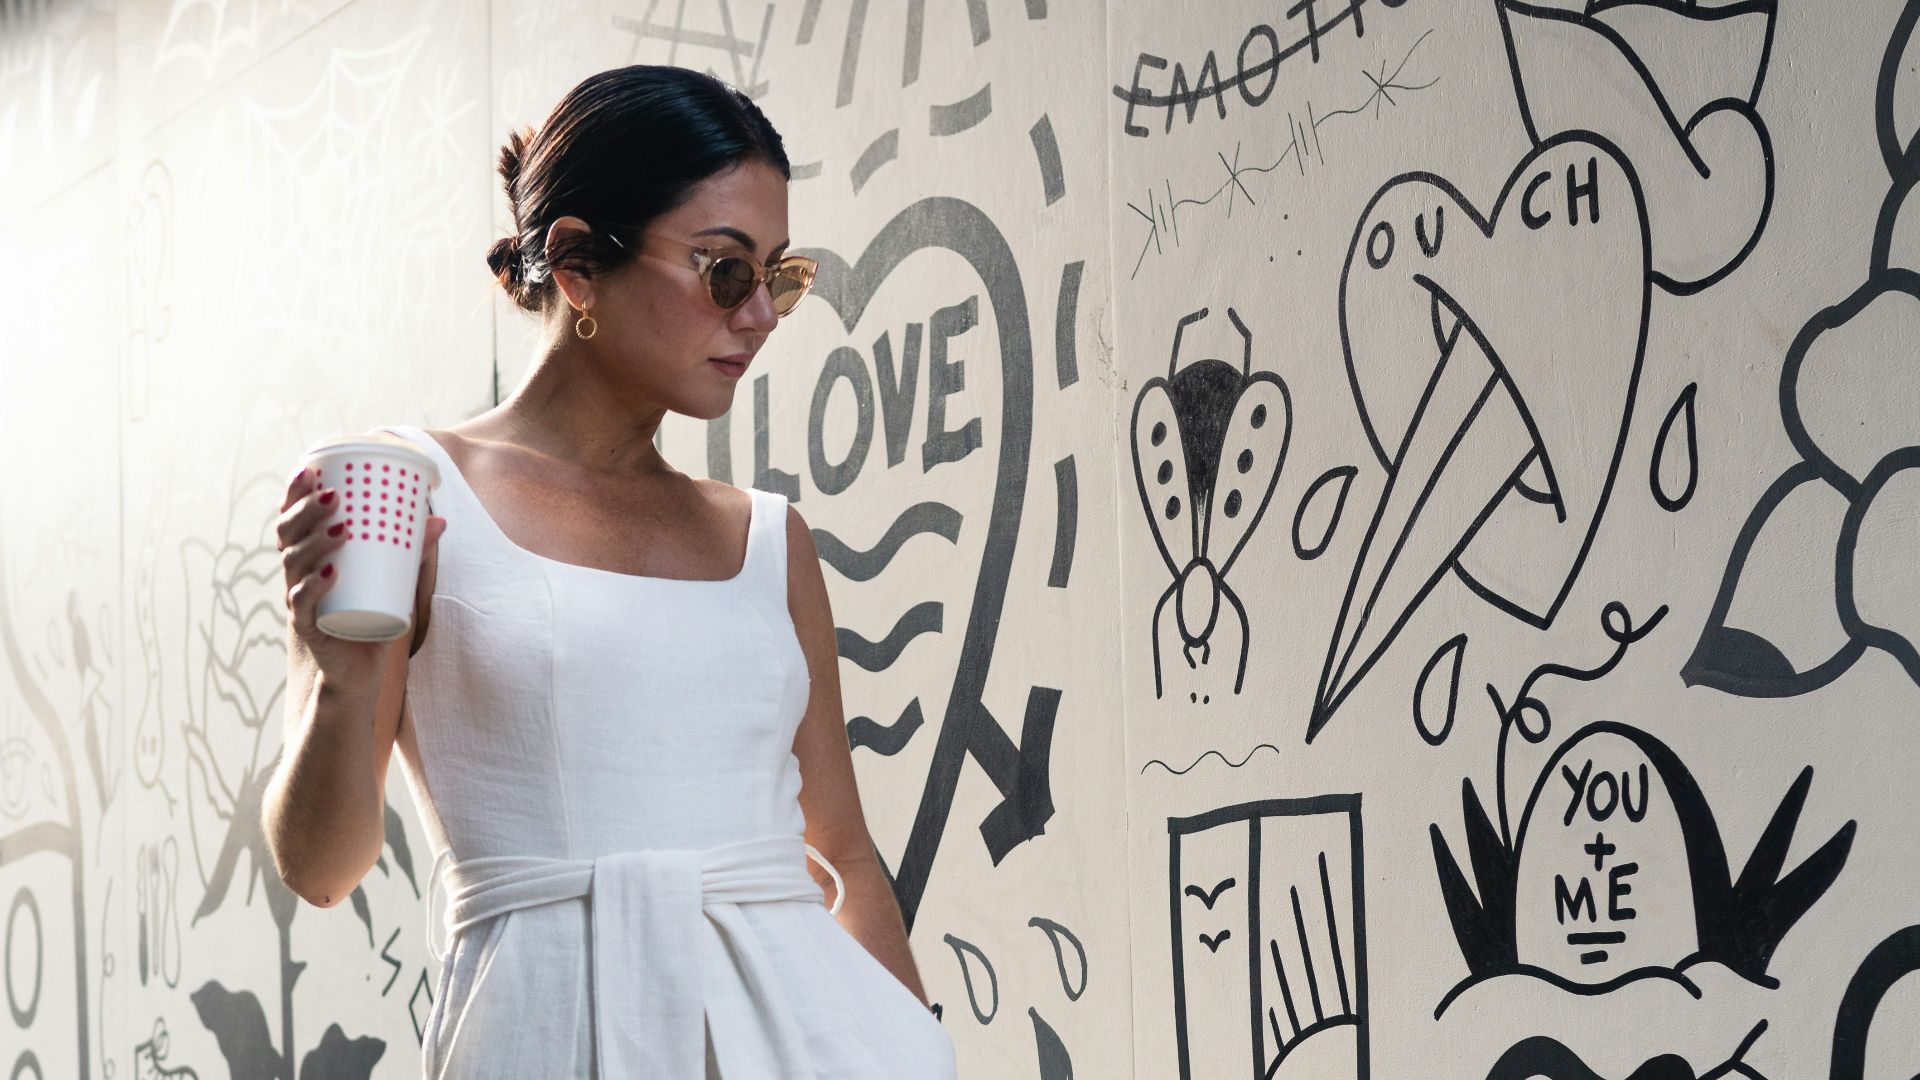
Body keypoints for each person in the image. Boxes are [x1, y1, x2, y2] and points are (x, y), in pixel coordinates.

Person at [262, 64, 959, 1079]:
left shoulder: (768, 539)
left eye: (779, 276)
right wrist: (343, 674)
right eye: (724, 269)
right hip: (540, 1040)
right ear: (579, 260)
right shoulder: (403, 492)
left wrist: (917, 1048)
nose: (760, 314)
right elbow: (321, 872)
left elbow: (846, 858)